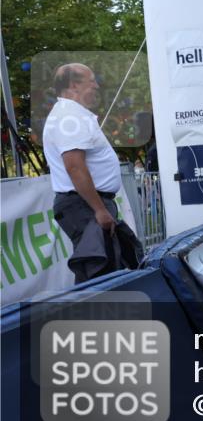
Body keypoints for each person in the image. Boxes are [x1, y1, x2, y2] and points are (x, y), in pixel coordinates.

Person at [42, 63, 141, 282]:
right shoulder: (70, 118)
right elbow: (74, 166)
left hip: (87, 204)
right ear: (74, 85)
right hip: (85, 205)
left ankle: (102, 314)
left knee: (103, 269)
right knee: (97, 273)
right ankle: (94, 315)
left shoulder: (72, 115)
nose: (96, 85)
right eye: (92, 80)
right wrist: (98, 209)